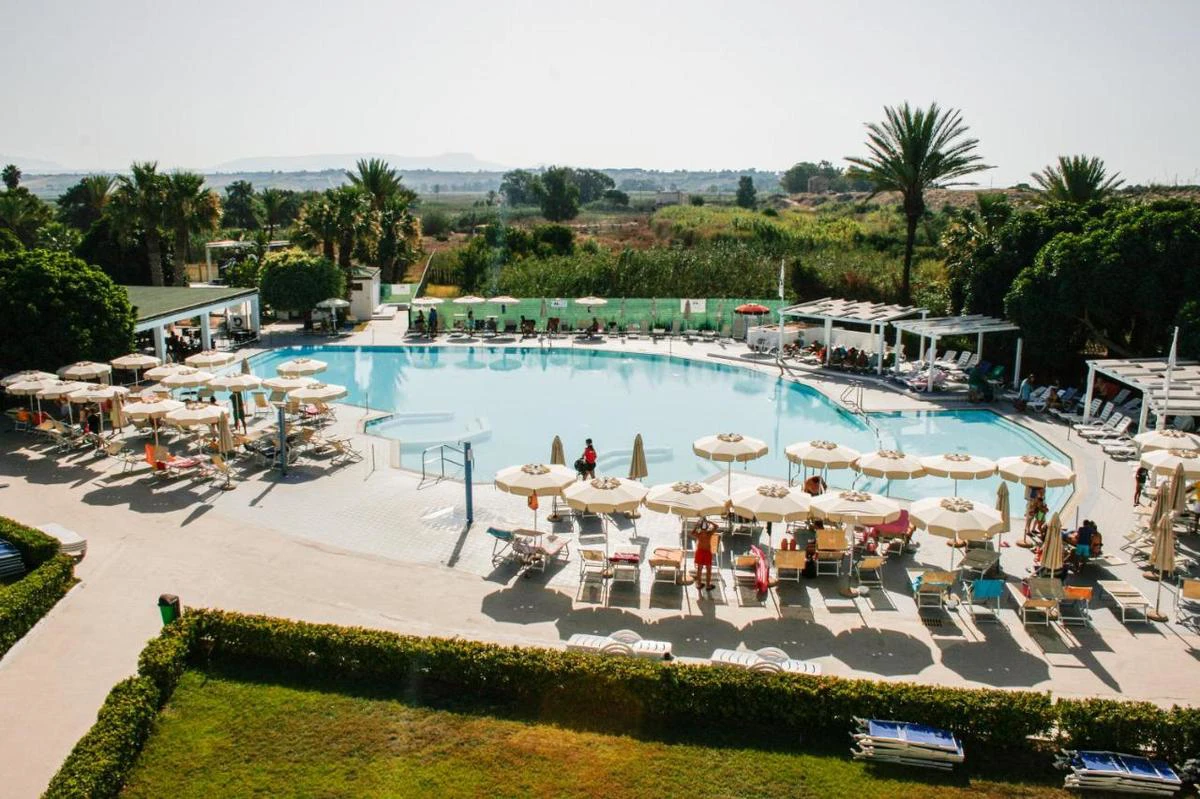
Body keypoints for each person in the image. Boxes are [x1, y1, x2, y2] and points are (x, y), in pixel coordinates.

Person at [690, 518, 720, 596]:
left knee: (699, 569)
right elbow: (716, 526)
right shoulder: (709, 533)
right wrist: (709, 521)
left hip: (700, 552)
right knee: (708, 570)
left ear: (701, 527)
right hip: (707, 552)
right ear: (707, 527)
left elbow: (692, 533)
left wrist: (697, 526)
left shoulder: (699, 534)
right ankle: (708, 585)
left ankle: (699, 584)